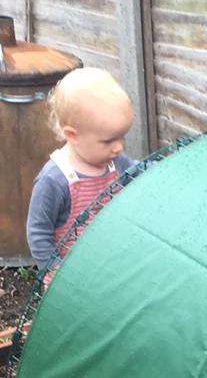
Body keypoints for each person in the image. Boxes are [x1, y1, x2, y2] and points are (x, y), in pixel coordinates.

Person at [26, 67, 137, 274]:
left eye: (122, 137)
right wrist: (53, 275)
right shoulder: (55, 180)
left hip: (111, 266)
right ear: (73, 135)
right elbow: (38, 232)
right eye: (108, 141)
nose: (119, 147)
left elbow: (141, 173)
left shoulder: (116, 163)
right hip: (72, 277)